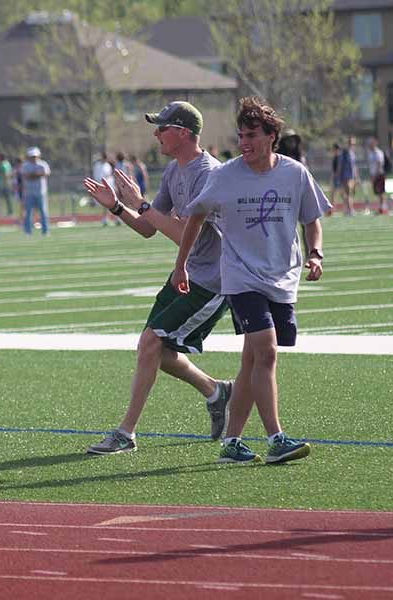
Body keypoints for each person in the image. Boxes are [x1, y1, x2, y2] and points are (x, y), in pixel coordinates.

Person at [172, 96, 330, 465]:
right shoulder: (225, 175)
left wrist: (315, 254)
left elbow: (312, 219)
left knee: (250, 362)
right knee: (267, 351)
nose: (244, 142)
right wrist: (181, 266)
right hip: (241, 278)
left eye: (252, 135)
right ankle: (277, 438)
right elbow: (195, 217)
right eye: (241, 135)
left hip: (282, 278)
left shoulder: (294, 173)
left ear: (272, 136)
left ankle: (232, 444)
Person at [82, 101, 233, 455]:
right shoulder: (173, 171)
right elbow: (150, 228)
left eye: (162, 128)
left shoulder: (207, 172)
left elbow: (186, 235)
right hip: (186, 273)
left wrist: (143, 204)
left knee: (151, 344)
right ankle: (217, 391)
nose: (156, 134)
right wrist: (118, 207)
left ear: (183, 133)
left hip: (212, 280)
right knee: (152, 348)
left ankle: (126, 432)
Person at [20, 146, 51, 236]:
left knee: (44, 212)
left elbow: (46, 173)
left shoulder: (42, 164)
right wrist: (37, 174)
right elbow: (26, 176)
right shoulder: (25, 165)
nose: (34, 158)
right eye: (32, 156)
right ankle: (28, 231)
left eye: (35, 156)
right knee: (28, 213)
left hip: (41, 192)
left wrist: (35, 175)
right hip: (29, 193)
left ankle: (45, 231)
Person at [92, 150, 118, 226]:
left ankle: (115, 219)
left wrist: (113, 186)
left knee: (113, 203)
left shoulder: (108, 165)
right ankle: (105, 218)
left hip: (109, 187)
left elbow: (110, 177)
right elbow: (96, 176)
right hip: (101, 186)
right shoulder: (97, 165)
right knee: (104, 204)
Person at [336, 136, 358, 215]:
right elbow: (340, 165)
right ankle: (350, 210)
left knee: (350, 193)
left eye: (353, 143)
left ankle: (346, 209)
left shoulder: (352, 153)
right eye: (351, 143)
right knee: (348, 193)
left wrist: (356, 177)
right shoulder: (344, 153)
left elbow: (354, 166)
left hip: (352, 177)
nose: (352, 145)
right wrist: (339, 176)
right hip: (345, 176)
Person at [366, 138, 389, 214]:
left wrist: (375, 175)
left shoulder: (378, 152)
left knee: (381, 191)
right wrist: (371, 175)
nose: (370, 145)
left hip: (379, 174)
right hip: (373, 175)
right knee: (377, 192)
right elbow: (370, 165)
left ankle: (383, 208)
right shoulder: (370, 153)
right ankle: (381, 207)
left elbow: (379, 164)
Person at [330, 143, 341, 211]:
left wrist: (336, 175)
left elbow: (339, 168)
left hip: (338, 178)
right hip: (335, 177)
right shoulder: (334, 157)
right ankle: (333, 208)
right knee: (333, 193)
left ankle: (347, 207)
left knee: (341, 193)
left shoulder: (339, 157)